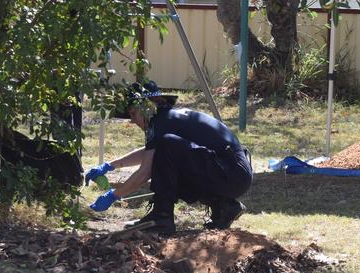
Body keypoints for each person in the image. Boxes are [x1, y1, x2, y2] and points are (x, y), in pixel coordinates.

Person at [86, 81, 252, 234]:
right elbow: (150, 152)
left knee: (167, 147)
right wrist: (109, 166)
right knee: (167, 152)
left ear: (147, 106)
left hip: (230, 171)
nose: (132, 121)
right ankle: (224, 207)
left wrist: (114, 195)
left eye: (133, 113)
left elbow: (145, 171)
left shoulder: (159, 121)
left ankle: (161, 217)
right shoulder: (168, 118)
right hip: (234, 172)